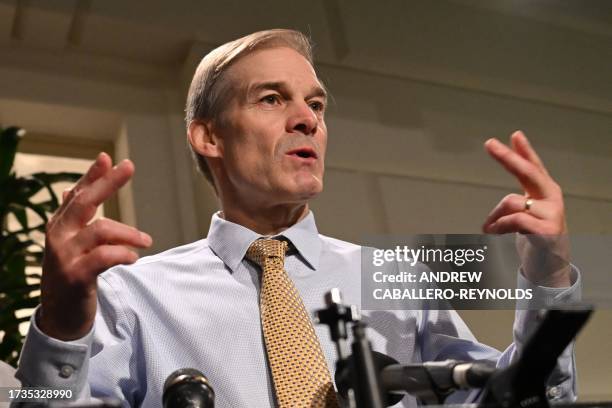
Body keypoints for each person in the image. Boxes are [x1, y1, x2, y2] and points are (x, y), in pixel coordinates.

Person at [16, 29, 579, 407]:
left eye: (315, 104)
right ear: (208, 136)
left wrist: (550, 282)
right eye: (271, 99)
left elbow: (528, 398)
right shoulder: (131, 294)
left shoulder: (398, 276)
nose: (307, 120)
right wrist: (62, 325)